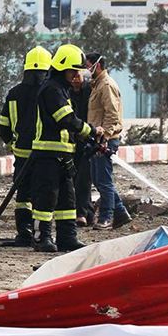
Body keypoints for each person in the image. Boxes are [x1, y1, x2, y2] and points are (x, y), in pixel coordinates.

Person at [31, 44, 102, 253]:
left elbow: (68, 124)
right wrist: (90, 130)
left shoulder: (62, 90)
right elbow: (66, 119)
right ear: (62, 67)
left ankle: (67, 237)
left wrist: (85, 137)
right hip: (47, 155)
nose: (76, 75)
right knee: (46, 199)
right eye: (73, 71)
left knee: (67, 199)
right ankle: (41, 237)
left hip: (62, 154)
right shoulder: (52, 89)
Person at [0, 46, 51, 247]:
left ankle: (24, 232)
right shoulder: (49, 92)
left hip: (21, 154)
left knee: (23, 195)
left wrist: (12, 143)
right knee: (42, 194)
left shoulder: (14, 93)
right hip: (44, 153)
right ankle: (40, 234)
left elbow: (3, 125)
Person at [86, 53, 133, 230]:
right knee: (98, 179)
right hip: (97, 139)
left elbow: (112, 115)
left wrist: (104, 137)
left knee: (104, 180)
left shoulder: (106, 85)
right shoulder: (96, 85)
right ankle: (121, 212)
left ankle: (106, 217)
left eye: (87, 66)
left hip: (106, 139)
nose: (85, 70)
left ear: (96, 66)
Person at [70, 66, 95, 228]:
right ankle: (87, 213)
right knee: (74, 178)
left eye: (78, 76)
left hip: (88, 140)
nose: (75, 79)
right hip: (73, 141)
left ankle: (82, 213)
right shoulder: (66, 93)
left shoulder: (89, 92)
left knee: (84, 179)